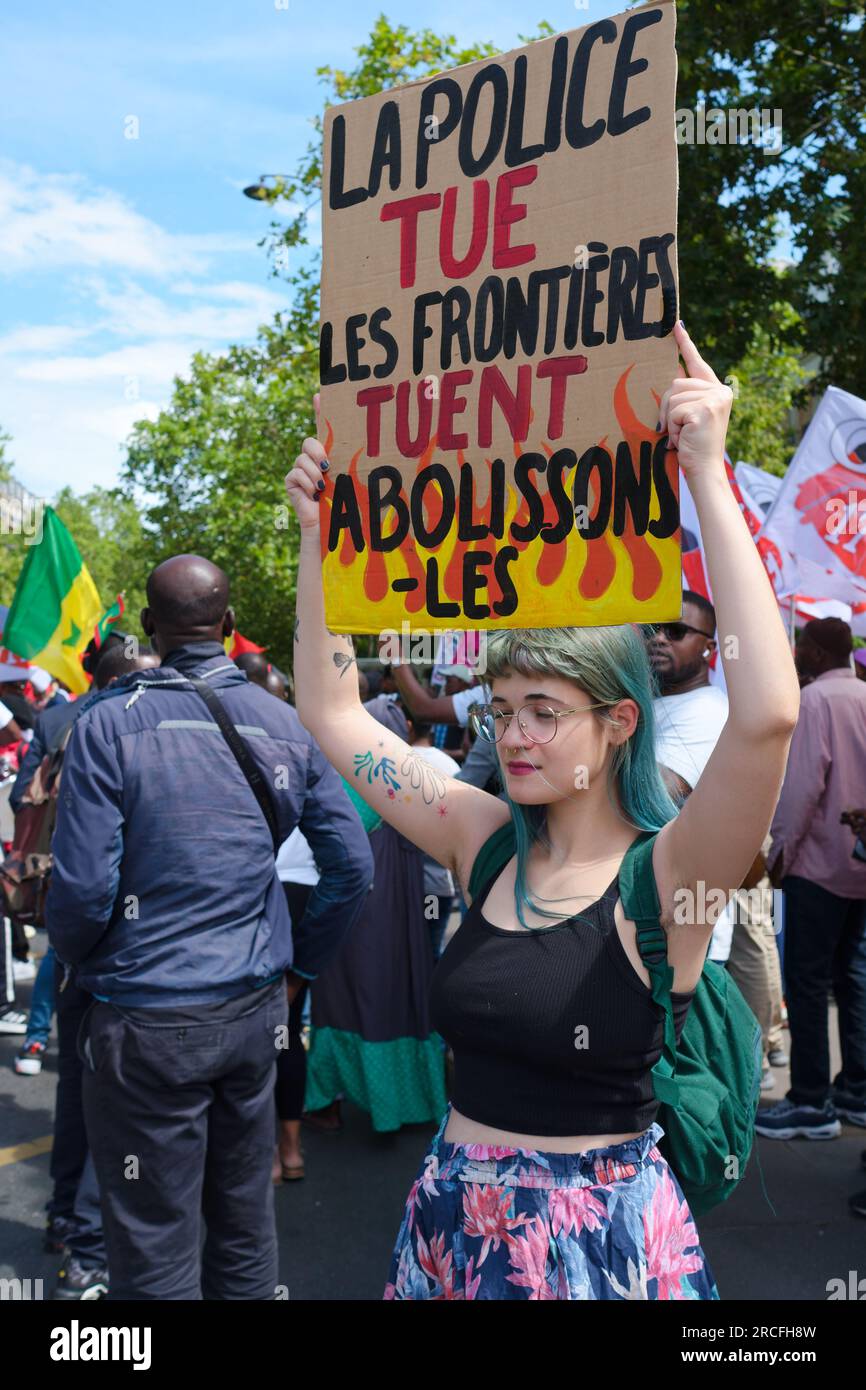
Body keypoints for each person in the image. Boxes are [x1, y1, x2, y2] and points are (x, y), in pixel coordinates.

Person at [285, 322, 801, 1301]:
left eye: (544, 713)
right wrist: (319, 536)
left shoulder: (670, 875)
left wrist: (706, 473)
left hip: (596, 1249)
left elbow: (766, 714)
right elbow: (332, 709)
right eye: (502, 708)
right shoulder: (480, 842)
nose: (513, 736)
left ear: (615, 724)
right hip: (446, 1232)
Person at [46, 554, 373, 1300]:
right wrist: (299, 975)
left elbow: (81, 896)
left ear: (150, 629)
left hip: (144, 1020)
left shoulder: (107, 727)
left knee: (154, 1245)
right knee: (243, 1225)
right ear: (229, 627)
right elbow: (352, 867)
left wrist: (94, 969)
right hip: (251, 1014)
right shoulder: (283, 723)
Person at [48, 640, 160, 1301]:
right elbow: (97, 874)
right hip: (110, 952)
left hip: (75, 947)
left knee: (76, 1097)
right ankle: (88, 1253)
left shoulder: (61, 724)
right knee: (109, 1109)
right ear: (119, 682)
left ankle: (65, 1218)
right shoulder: (113, 734)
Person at [302, 687, 448, 1134]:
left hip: (353, 910)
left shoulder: (343, 778)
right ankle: (409, 1102)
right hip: (401, 911)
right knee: (398, 994)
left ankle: (328, 1101)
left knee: (348, 998)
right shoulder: (413, 777)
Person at [758, 618, 866, 1140]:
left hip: (819, 867)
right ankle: (855, 1090)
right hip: (857, 866)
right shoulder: (862, 696)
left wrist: (779, 853)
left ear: (819, 652)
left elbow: (801, 791)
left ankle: (809, 1100)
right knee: (853, 978)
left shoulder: (817, 704)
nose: (795, 653)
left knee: (808, 983)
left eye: (800, 645)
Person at [406, 717, 461, 960]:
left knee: (406, 955)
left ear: (409, 725)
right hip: (438, 885)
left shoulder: (397, 762)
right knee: (432, 950)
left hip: (403, 883)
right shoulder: (450, 766)